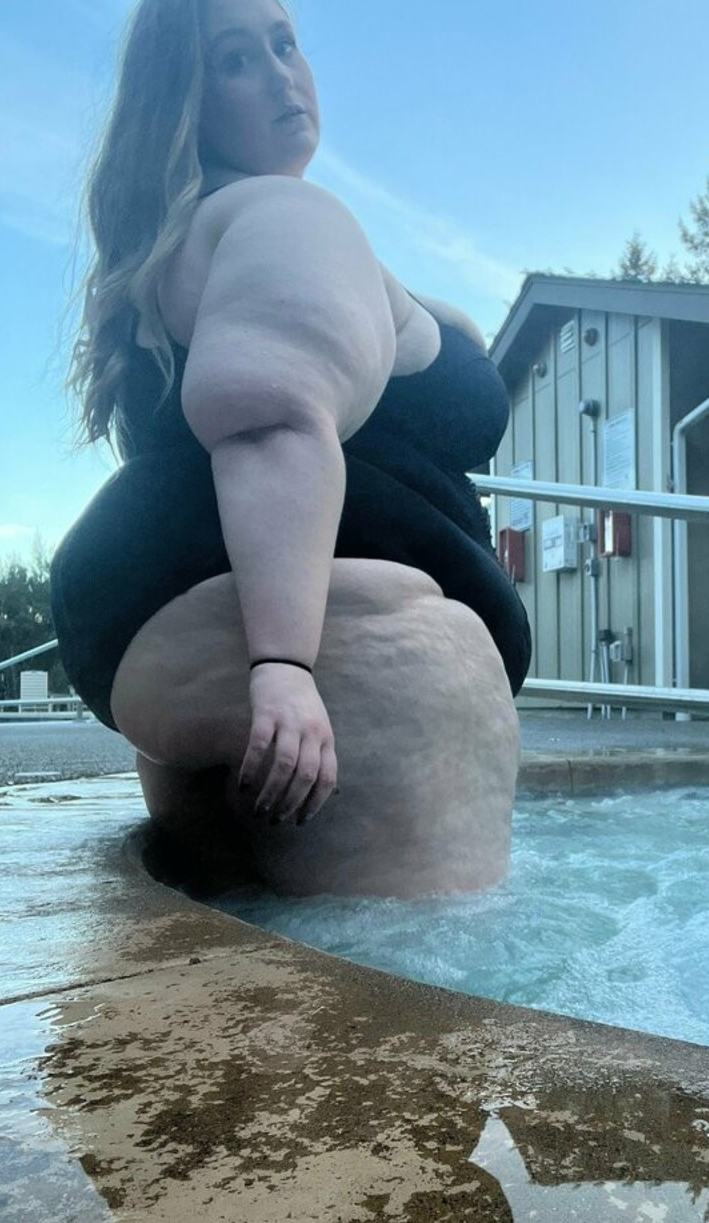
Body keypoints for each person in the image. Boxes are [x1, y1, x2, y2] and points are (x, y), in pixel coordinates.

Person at [51, 0, 530, 898]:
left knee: (243, 931)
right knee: (412, 970)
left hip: (172, 644)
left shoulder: (196, 242)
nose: (280, 74)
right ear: (186, 105)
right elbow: (269, 419)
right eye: (237, 60)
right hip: (340, 644)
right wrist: (282, 666)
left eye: (285, 43)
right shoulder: (284, 218)